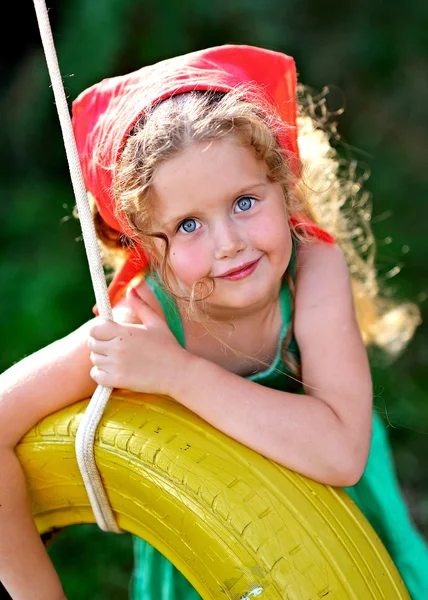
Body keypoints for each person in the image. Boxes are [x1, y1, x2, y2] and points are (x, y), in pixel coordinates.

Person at [0, 44, 427, 600]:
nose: (229, 245)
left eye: (245, 203)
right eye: (187, 226)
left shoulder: (312, 271)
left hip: (345, 539)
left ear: (284, 185)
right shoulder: (141, 326)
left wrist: (178, 375)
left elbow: (341, 452)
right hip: (210, 561)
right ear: (145, 247)